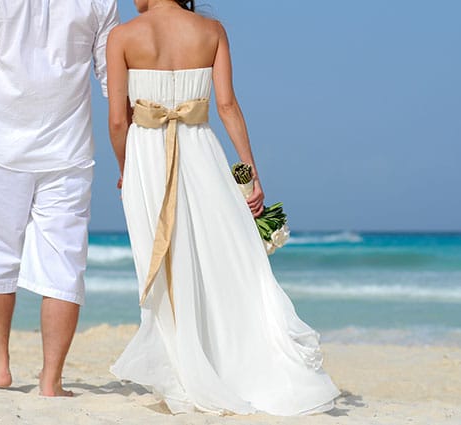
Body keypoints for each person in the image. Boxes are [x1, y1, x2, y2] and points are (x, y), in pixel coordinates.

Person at [106, 0, 340, 415]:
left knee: (163, 264)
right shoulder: (211, 30)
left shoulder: (123, 36)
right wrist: (250, 170)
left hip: (146, 157)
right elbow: (228, 105)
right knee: (216, 257)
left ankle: (187, 371)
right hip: (201, 153)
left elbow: (118, 121)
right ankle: (217, 362)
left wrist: (126, 169)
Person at [0, 0, 119, 396]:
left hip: (2, 146)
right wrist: (127, 156)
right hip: (69, 149)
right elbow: (113, 81)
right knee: (64, 260)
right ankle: (51, 380)